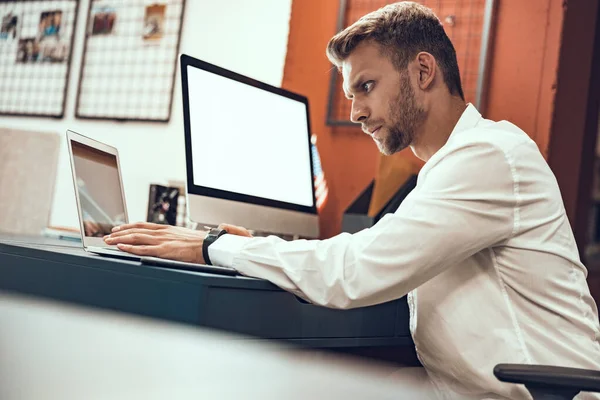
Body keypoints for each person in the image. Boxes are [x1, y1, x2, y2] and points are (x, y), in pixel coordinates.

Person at [103, 2, 600, 399]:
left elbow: (357, 270)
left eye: (366, 86)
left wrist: (210, 246)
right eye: (350, 94)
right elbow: (376, 254)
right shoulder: (455, 166)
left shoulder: (490, 156)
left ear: (423, 71)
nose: (357, 112)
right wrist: (256, 245)